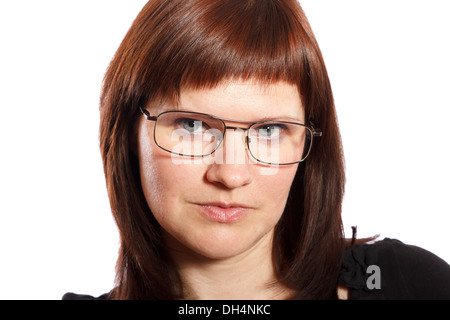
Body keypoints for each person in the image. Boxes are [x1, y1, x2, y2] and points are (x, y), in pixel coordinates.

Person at [63, 0, 450, 300]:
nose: (231, 174)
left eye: (269, 130)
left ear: (310, 142)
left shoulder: (411, 286)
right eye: (193, 125)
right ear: (128, 131)